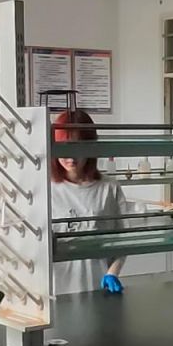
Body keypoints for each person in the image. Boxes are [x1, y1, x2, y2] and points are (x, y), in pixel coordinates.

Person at [49, 109, 126, 296]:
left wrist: (112, 273)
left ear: (91, 147)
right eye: (63, 147)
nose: (70, 157)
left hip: (97, 288)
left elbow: (123, 241)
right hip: (57, 291)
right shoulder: (45, 189)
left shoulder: (109, 188)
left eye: (77, 147)